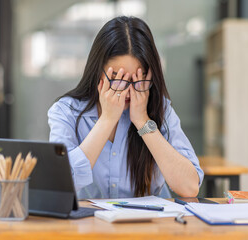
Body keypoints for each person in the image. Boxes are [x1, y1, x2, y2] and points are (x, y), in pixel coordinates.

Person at [47, 16, 203, 199]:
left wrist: (143, 121)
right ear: (98, 71)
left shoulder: (161, 109)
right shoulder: (66, 111)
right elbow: (59, 185)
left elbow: (190, 187)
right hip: (88, 225)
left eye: (138, 79)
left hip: (148, 224)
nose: (128, 91)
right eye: (117, 78)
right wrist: (107, 120)